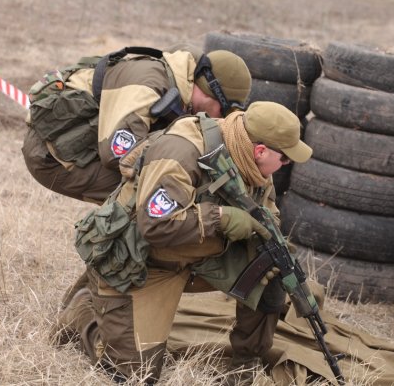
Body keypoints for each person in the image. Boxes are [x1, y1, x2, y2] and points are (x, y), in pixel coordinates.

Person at [51, 101, 312, 384]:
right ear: (260, 150)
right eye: (285, 159)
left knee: (271, 268)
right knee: (134, 374)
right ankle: (82, 311)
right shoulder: (182, 153)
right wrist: (221, 218)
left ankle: (245, 364)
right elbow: (154, 225)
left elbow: (266, 209)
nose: (285, 166)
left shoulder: (252, 162)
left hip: (201, 256)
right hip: (144, 262)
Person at [21, 44, 252, 204]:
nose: (220, 119)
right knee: (158, 194)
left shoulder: (179, 76)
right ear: (214, 94)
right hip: (53, 154)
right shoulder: (150, 85)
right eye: (224, 110)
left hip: (81, 146)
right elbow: (117, 155)